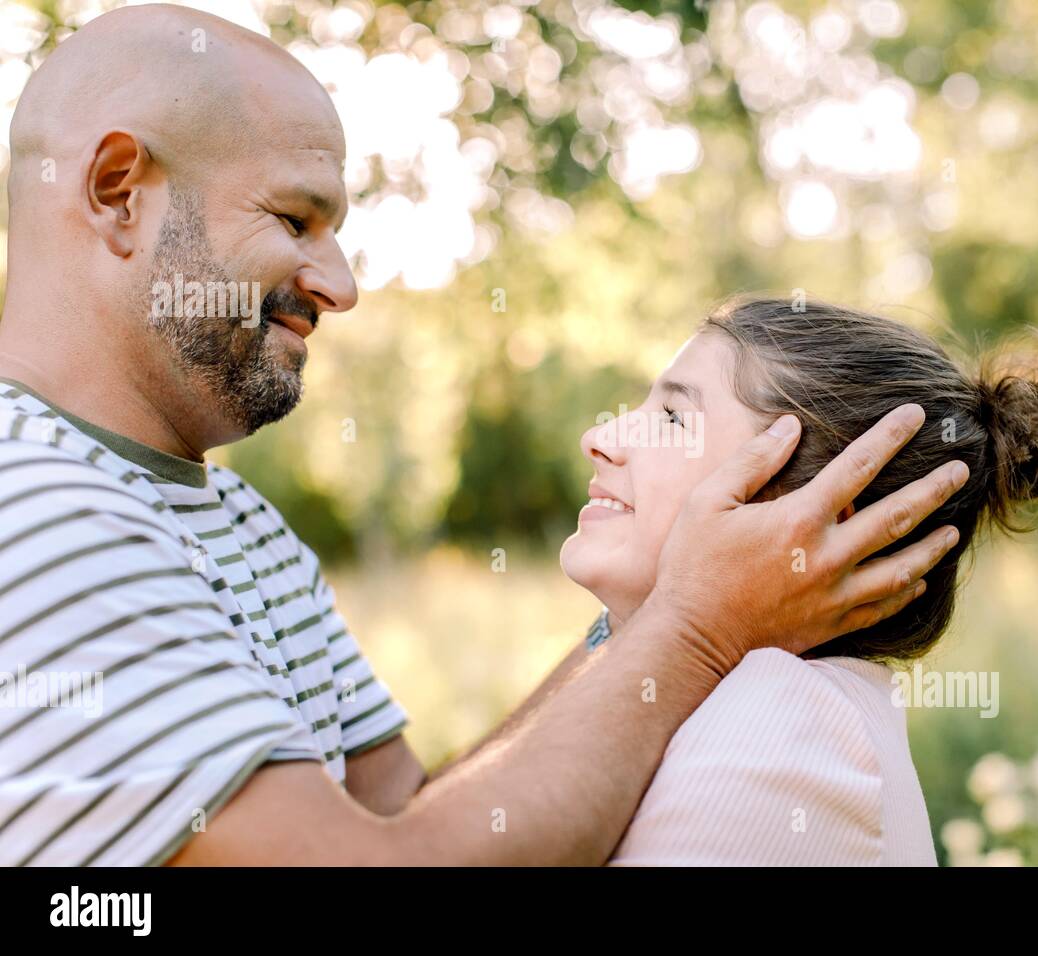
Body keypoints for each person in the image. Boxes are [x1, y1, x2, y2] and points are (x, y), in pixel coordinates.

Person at [0, 5, 965, 866]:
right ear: (119, 190)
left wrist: (659, 614)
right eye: (296, 218)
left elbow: (423, 824)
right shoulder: (33, 506)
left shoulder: (243, 525)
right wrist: (694, 630)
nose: (340, 285)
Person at [559, 295, 1038, 864]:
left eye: (671, 419)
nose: (602, 437)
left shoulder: (780, 729)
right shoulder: (735, 698)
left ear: (815, 520)